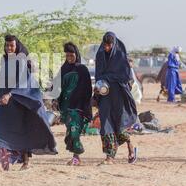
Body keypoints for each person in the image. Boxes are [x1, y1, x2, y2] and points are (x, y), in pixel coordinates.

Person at [0, 35, 57, 171]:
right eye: (7, 45)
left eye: (11, 45)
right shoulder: (4, 60)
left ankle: (26, 162)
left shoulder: (21, 60)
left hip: (18, 102)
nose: (9, 48)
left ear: (17, 46)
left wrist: (10, 94)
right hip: (4, 103)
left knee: (21, 132)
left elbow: (25, 82)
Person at [95, 32, 137, 165]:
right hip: (105, 95)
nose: (107, 48)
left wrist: (109, 78)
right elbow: (98, 75)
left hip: (120, 95)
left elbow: (126, 77)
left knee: (119, 124)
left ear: (114, 44)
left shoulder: (120, 56)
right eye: (105, 45)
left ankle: (130, 145)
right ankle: (109, 157)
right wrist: (98, 86)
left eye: (109, 45)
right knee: (106, 124)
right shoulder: (100, 55)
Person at [55, 42, 92, 166]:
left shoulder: (82, 69)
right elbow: (56, 86)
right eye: (67, 56)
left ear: (77, 54)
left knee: (74, 131)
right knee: (70, 132)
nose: (70, 58)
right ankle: (76, 156)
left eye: (72, 55)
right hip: (66, 106)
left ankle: (76, 157)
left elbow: (88, 90)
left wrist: (85, 105)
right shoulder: (63, 69)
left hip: (78, 107)